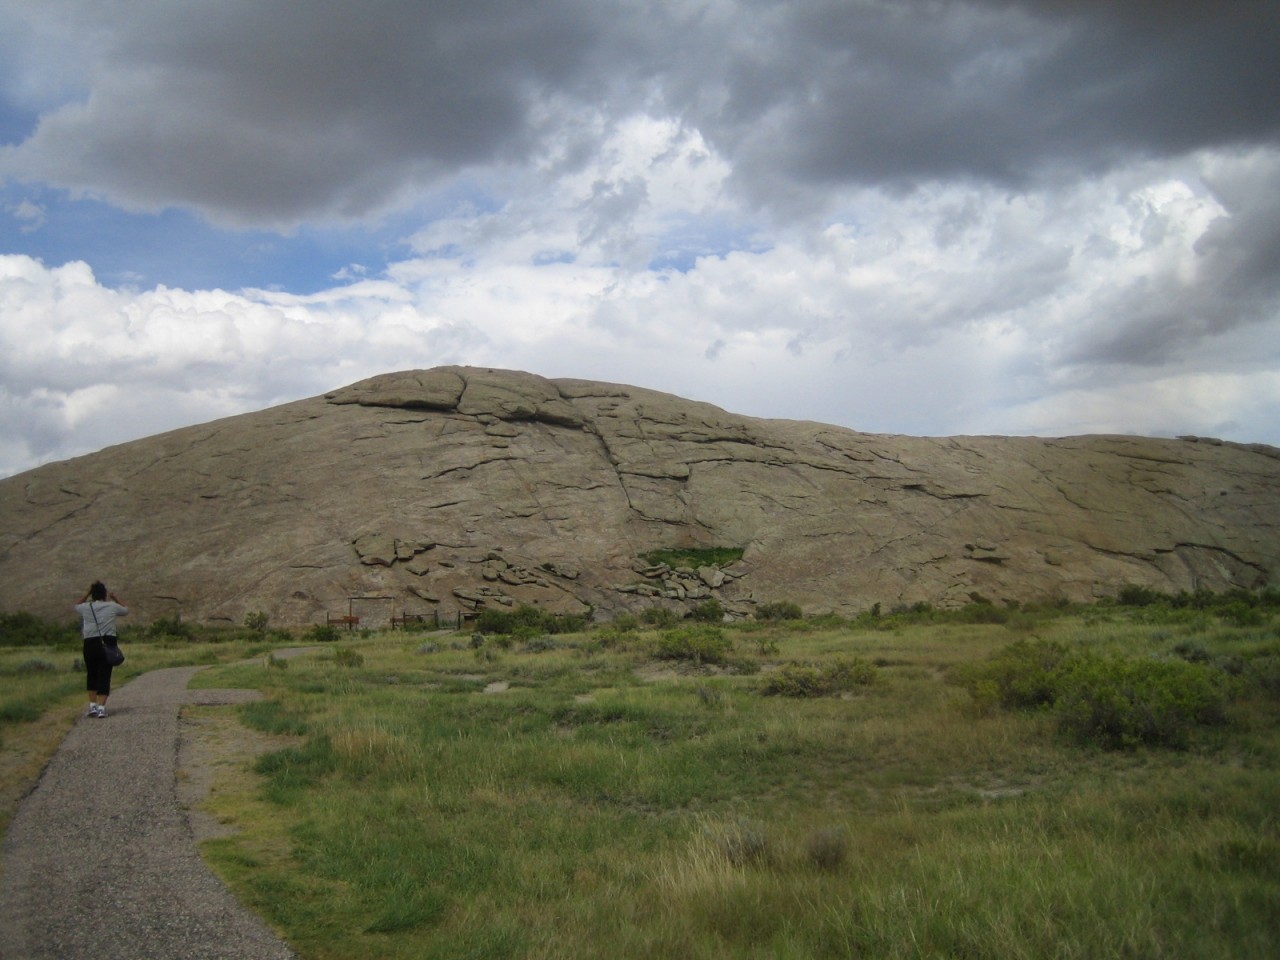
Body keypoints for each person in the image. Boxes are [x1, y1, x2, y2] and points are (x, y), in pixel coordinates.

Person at [74, 581, 128, 718]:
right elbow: (126, 609)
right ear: (104, 594)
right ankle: (101, 708)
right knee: (104, 675)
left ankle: (92, 706)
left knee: (91, 673)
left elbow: (76, 605)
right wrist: (115, 597)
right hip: (107, 642)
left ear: (92, 595)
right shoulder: (112, 606)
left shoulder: (86, 607)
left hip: (90, 642)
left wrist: (87, 593)